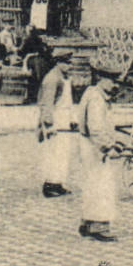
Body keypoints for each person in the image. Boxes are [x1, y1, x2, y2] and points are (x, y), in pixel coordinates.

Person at [74, 68, 124, 242]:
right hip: (94, 147)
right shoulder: (96, 99)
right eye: (111, 81)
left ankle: (87, 222)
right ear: (101, 79)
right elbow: (96, 128)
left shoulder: (94, 94)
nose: (115, 85)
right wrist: (108, 147)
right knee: (101, 185)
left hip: (90, 145)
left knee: (91, 183)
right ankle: (99, 225)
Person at [36, 53, 87, 198]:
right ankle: (50, 184)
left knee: (63, 153)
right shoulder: (52, 79)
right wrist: (48, 123)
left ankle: (58, 183)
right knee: (53, 153)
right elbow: (46, 103)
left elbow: (68, 103)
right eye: (65, 63)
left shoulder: (65, 78)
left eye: (69, 63)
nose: (68, 66)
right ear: (58, 63)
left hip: (64, 120)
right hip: (55, 120)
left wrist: (72, 119)